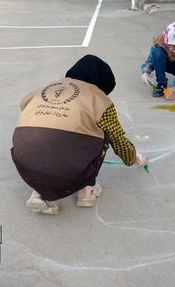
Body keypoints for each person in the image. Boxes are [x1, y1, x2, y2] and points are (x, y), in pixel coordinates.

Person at [11, 55, 147, 215]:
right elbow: (117, 139)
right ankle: (87, 191)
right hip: (65, 167)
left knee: (49, 137)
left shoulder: (48, 87)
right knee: (101, 134)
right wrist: (133, 158)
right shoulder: (99, 100)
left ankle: (40, 193)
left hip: (24, 160)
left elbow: (23, 105)